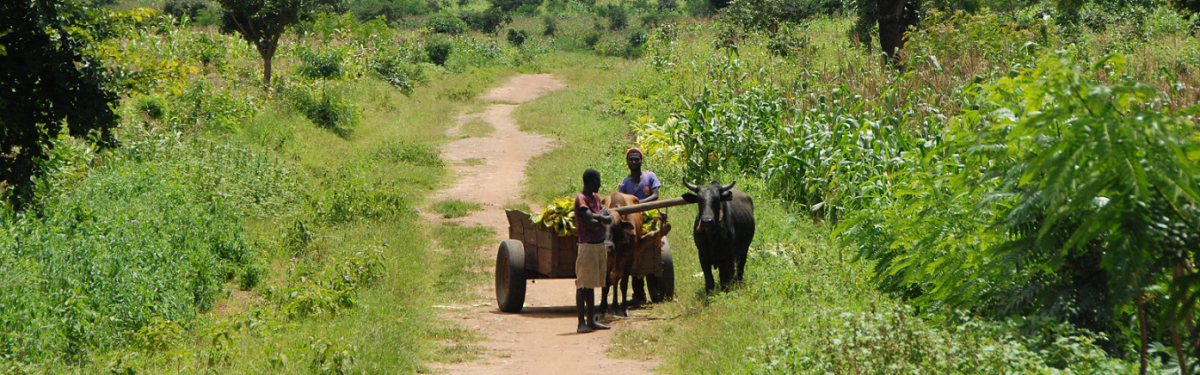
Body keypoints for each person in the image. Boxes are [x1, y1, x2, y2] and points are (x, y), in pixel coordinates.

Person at [616, 147, 668, 305]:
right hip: (633, 221)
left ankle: (656, 290)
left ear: (641, 160)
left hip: (648, 217)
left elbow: (655, 195)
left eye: (636, 159)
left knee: (654, 246)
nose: (633, 161)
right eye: (631, 159)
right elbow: (620, 201)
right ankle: (638, 295)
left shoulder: (650, 176)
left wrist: (638, 205)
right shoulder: (624, 183)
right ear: (627, 162)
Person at [574, 168, 613, 333]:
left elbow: (599, 218)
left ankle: (591, 321)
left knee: (591, 285)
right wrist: (602, 217)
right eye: (598, 181)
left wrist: (600, 218)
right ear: (591, 182)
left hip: (599, 244)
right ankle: (580, 323)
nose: (600, 183)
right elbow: (591, 222)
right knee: (583, 285)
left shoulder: (596, 198)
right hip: (587, 246)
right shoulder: (581, 199)